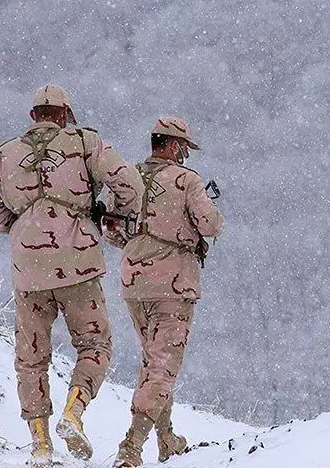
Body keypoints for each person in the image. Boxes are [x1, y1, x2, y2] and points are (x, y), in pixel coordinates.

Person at [0, 84, 144, 467]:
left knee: (31, 357)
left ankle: (40, 443)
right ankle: (74, 412)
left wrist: (29, 226)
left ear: (33, 116)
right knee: (95, 345)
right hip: (78, 266)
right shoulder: (86, 143)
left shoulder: (4, 155)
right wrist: (110, 215)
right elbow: (131, 184)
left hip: (28, 273)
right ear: (65, 115)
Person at [105, 116, 224, 468]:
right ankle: (132, 445)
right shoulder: (187, 181)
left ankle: (167, 437)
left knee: (152, 359)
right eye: (184, 147)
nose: (186, 153)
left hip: (133, 284)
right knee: (162, 366)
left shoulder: (126, 178)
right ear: (173, 145)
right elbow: (212, 224)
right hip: (173, 284)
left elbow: (111, 233)